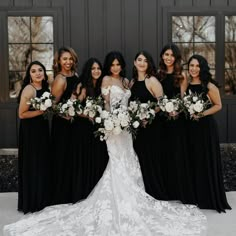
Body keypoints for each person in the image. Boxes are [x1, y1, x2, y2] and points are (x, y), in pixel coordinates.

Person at [3, 51, 207, 236]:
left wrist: (135, 116)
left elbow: (133, 102)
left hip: (127, 129)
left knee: (129, 158)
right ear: (109, 66)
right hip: (112, 127)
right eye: (113, 64)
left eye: (119, 64)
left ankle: (134, 196)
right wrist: (107, 119)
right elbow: (105, 104)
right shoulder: (105, 80)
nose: (116, 68)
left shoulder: (128, 81)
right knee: (116, 161)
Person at [186, 54, 231, 213]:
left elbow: (218, 105)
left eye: (197, 66)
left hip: (206, 128)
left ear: (202, 67)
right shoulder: (187, 84)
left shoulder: (209, 85)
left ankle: (208, 196)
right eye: (191, 65)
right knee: (195, 159)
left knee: (206, 159)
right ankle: (197, 195)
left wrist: (202, 113)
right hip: (191, 128)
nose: (194, 69)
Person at [157, 43, 195, 204]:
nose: (169, 58)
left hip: (176, 120)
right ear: (162, 56)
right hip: (160, 121)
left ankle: (179, 190)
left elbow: (183, 98)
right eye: (166, 54)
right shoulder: (158, 75)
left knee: (177, 153)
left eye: (172, 55)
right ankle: (165, 190)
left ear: (176, 58)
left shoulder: (182, 76)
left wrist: (176, 111)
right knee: (163, 153)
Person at [130, 50, 167, 200]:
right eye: (139, 59)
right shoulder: (131, 82)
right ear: (134, 62)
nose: (142, 63)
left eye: (145, 60)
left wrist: (148, 114)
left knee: (151, 159)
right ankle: (142, 191)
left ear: (149, 64)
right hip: (137, 129)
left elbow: (162, 103)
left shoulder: (151, 80)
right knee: (140, 159)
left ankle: (154, 192)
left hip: (151, 127)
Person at [70, 58, 109, 202]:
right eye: (93, 68)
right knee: (86, 159)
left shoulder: (101, 85)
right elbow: (72, 107)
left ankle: (97, 191)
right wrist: (87, 114)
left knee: (98, 158)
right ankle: (84, 192)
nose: (96, 71)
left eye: (98, 68)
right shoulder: (82, 86)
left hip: (99, 128)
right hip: (83, 128)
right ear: (88, 70)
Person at [17, 61, 51, 213]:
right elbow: (22, 114)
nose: (37, 73)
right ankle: (31, 201)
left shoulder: (45, 88)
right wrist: (41, 111)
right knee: (32, 163)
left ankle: (42, 197)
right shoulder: (29, 90)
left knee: (42, 161)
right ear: (29, 75)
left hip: (42, 129)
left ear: (44, 73)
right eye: (33, 71)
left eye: (40, 70)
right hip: (30, 131)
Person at [50, 46, 80, 205]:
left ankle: (71, 192)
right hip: (62, 125)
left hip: (74, 125)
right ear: (59, 61)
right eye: (64, 59)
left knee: (72, 157)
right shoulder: (60, 79)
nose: (68, 62)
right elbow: (52, 105)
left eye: (70, 59)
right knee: (62, 157)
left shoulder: (74, 75)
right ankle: (61, 195)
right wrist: (65, 114)